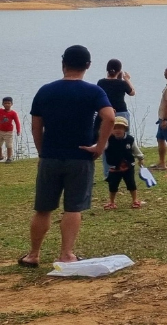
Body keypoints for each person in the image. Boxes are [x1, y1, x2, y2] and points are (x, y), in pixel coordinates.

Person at [20, 45, 115, 268]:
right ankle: (66, 254)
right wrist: (99, 146)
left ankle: (33, 254)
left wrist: (42, 151)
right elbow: (109, 117)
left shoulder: (46, 90)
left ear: (63, 63)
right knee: (73, 207)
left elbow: (36, 126)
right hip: (80, 156)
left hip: (51, 157)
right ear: (88, 66)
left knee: (43, 208)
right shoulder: (94, 91)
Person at [103, 116, 144, 210]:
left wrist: (140, 158)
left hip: (128, 166)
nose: (117, 130)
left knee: (131, 184)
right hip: (114, 167)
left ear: (125, 129)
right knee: (113, 185)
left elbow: (135, 150)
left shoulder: (130, 139)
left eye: (120, 128)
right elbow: (101, 147)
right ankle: (112, 202)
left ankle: (135, 200)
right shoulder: (108, 139)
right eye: (115, 128)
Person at [0, 96, 19, 164]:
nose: (7, 104)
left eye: (8, 103)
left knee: (9, 145)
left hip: (8, 132)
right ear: (3, 104)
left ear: (11, 104)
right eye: (5, 103)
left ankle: (9, 158)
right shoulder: (0, 111)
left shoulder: (13, 113)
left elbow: (17, 122)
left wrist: (18, 130)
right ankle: (1, 156)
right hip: (0, 131)